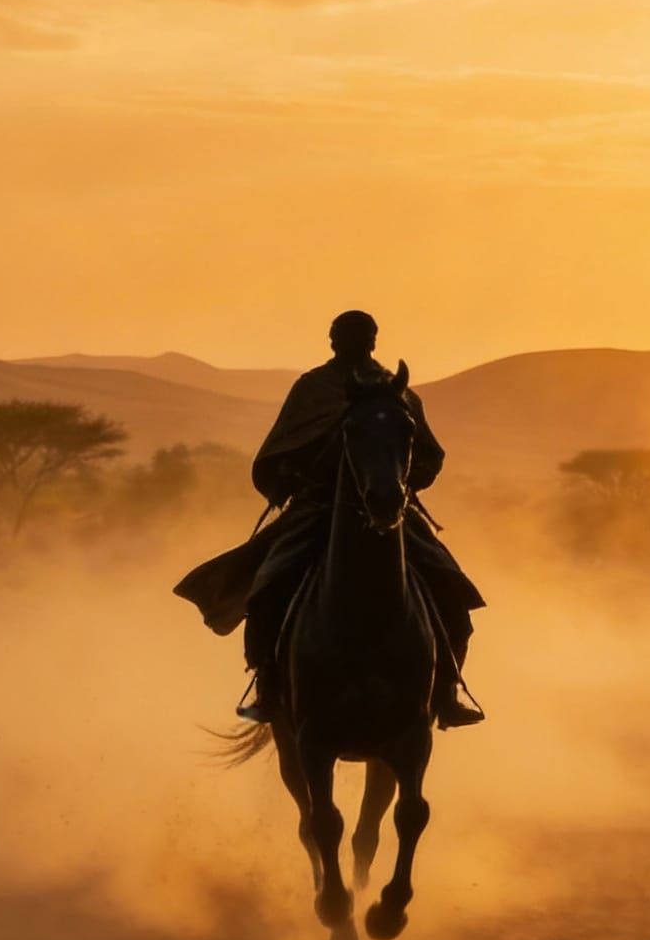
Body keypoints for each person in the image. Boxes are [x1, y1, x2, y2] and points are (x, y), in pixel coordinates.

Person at [174, 310, 485, 728]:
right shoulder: (313, 388)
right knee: (266, 587)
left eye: (359, 336)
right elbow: (278, 449)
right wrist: (290, 476)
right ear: (332, 341)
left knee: (452, 590)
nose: (350, 342)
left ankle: (446, 692)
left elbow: (426, 454)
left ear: (373, 341)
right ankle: (268, 686)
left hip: (391, 511)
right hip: (319, 508)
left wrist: (400, 484)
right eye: (343, 336)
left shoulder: (399, 394)